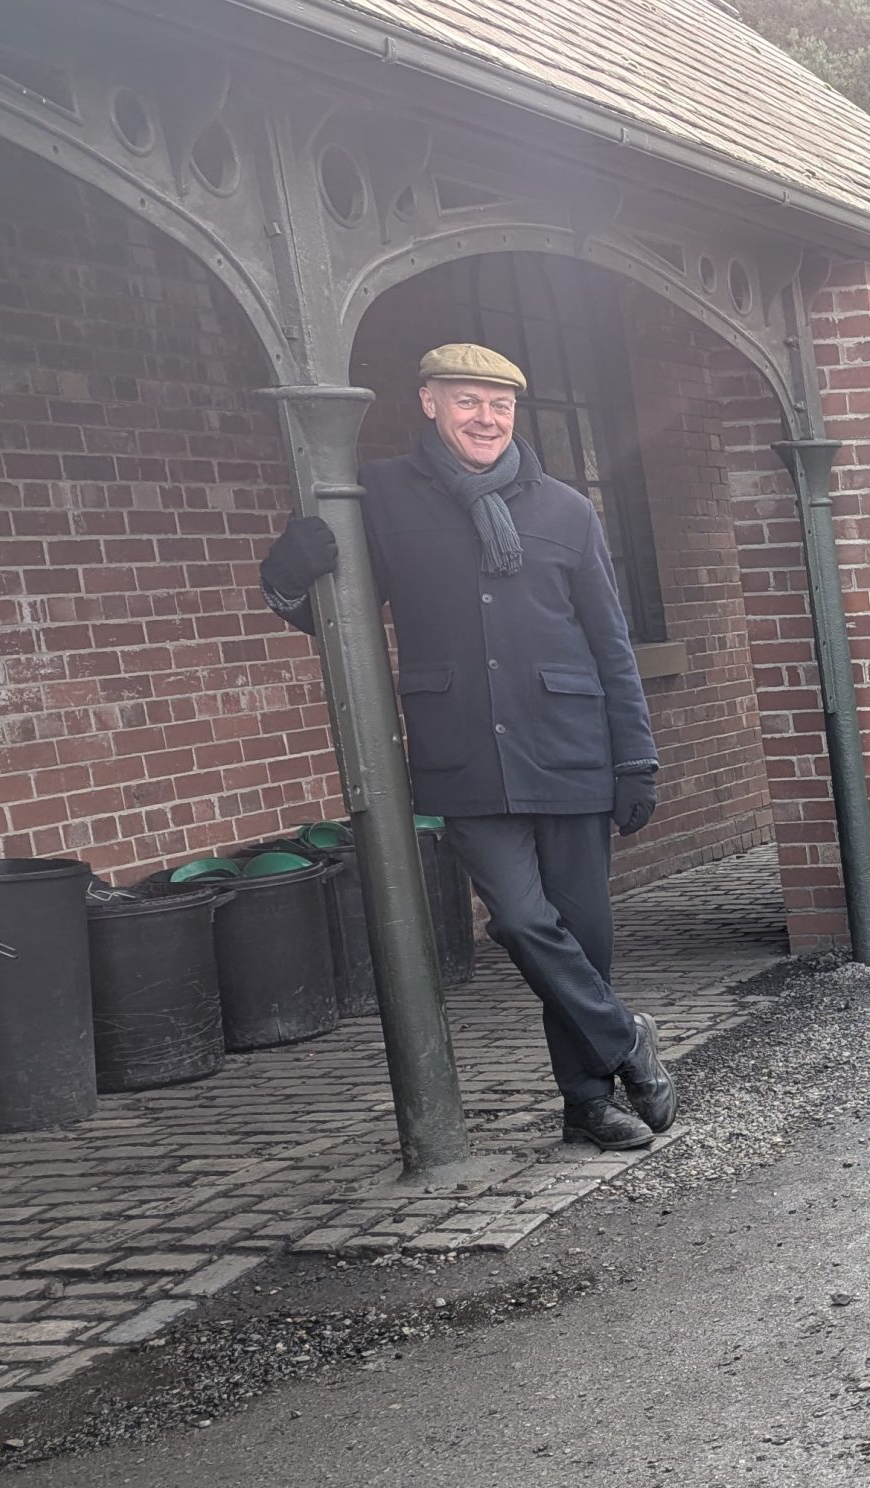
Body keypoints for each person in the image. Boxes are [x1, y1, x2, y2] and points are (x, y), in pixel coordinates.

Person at [260, 343, 675, 1152]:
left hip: (572, 750)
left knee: (582, 938)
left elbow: (612, 643)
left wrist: (636, 757)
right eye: (466, 401)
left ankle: (587, 1102)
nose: (485, 417)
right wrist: (284, 576)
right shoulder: (379, 495)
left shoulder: (566, 509)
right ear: (427, 402)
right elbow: (333, 619)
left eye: (499, 404)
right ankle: (626, 1040)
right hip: (462, 756)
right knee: (522, 922)